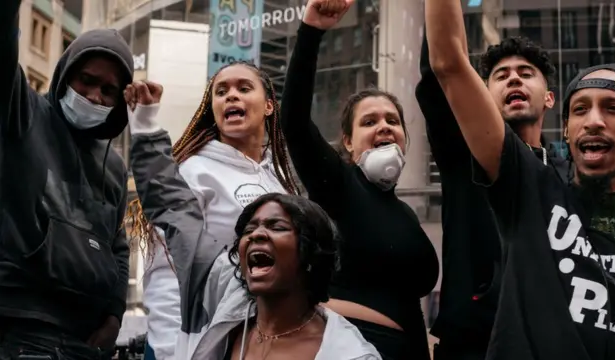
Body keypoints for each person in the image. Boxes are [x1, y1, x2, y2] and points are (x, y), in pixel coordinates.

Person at [426, 0, 615, 358]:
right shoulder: (531, 191)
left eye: (614, 108)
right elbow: (448, 63)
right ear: (567, 131)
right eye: (581, 109)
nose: (595, 121)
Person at [126, 88, 382, 359]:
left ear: (309, 253)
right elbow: (175, 207)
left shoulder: (349, 354)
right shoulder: (223, 288)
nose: (257, 234)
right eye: (249, 229)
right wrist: (145, 126)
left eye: (277, 227)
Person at [280, 0, 439, 358]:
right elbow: (293, 122)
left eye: (392, 120)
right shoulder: (338, 186)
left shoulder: (407, 214)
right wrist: (311, 31)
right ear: (348, 143)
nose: (384, 125)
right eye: (369, 122)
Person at [124, 60, 299, 359]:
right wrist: (172, 350)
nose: (231, 96)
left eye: (244, 88)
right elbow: (167, 271)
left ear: (269, 106)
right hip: (201, 345)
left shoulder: (281, 182)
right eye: (221, 92)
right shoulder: (194, 172)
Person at [416, 31, 569, 359]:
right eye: (501, 76)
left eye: (526, 74)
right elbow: (440, 75)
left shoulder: (571, 176)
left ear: (549, 98)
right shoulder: (464, 154)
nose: (514, 78)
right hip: (474, 344)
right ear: (483, 94)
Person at [0, 1, 133, 359]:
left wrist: (114, 317)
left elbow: (117, 245)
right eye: (86, 80)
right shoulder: (23, 114)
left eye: (108, 90)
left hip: (85, 342)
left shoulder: (116, 167)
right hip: (20, 329)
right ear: (64, 74)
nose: (93, 96)